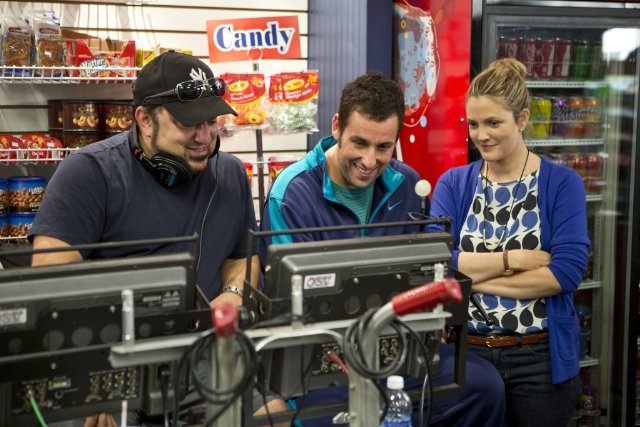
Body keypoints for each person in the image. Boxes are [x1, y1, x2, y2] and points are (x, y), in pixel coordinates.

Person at [28, 51, 287, 426]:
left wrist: (232, 294)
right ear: (145, 119)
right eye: (189, 123)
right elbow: (50, 285)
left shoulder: (230, 174)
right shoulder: (87, 172)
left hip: (198, 357)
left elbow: (241, 257)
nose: (204, 137)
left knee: (273, 415)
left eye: (211, 121)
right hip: (109, 361)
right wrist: (89, 374)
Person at [259, 71, 506, 426]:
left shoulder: (407, 183)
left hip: (397, 347)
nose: (369, 161)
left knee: (484, 387)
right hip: (321, 362)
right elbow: (290, 305)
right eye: (359, 143)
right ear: (336, 127)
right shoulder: (291, 193)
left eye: (383, 147)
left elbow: (428, 266)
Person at [428, 58, 590, 426]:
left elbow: (565, 274)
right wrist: (511, 260)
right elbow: (434, 261)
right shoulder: (454, 183)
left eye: (493, 123)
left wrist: (467, 279)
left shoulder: (562, 184)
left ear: (522, 119)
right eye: (473, 124)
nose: (481, 135)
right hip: (466, 355)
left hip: (539, 360)